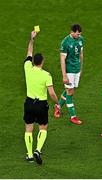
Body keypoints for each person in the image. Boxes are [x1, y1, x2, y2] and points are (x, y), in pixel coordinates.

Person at [24, 31, 59, 164]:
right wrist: (57, 103)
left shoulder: (27, 67)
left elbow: (29, 53)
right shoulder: (47, 75)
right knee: (43, 127)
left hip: (29, 103)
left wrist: (32, 39)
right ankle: (37, 150)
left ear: (33, 61)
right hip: (41, 105)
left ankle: (29, 155)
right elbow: (52, 93)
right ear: (42, 62)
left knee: (28, 128)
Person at [54, 24, 84, 125]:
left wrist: (81, 68)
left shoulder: (81, 40)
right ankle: (73, 116)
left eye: (80, 34)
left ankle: (57, 106)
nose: (78, 35)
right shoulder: (65, 42)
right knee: (70, 92)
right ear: (72, 32)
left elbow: (81, 54)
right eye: (77, 33)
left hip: (77, 69)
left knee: (69, 91)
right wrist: (64, 75)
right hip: (69, 70)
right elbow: (62, 59)